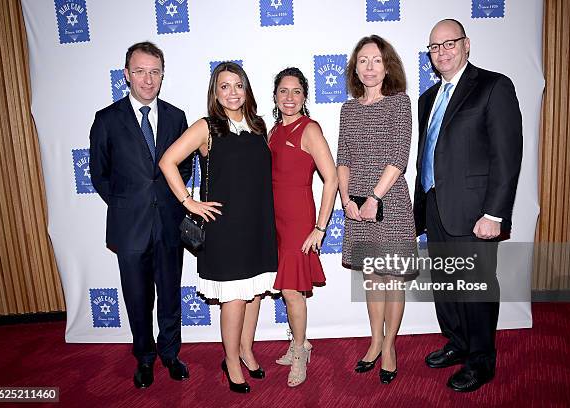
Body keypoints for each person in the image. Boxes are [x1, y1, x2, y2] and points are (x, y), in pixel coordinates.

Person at [414, 19, 522, 392]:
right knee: (445, 286)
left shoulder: (493, 87)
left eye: (449, 43)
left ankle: (481, 361)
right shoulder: (427, 98)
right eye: (434, 47)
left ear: (467, 44)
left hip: (476, 213)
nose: (441, 51)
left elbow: (507, 155)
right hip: (436, 209)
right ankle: (458, 344)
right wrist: (420, 211)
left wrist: (495, 213)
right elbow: (428, 156)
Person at [159, 62, 277, 394]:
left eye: (238, 85)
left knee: (254, 293)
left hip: (258, 224)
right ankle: (232, 362)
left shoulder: (258, 125)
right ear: (215, 92)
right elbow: (167, 161)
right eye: (224, 86)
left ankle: (246, 350)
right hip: (225, 228)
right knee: (235, 299)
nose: (233, 92)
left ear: (247, 89)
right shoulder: (206, 127)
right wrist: (188, 201)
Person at [89, 41, 192, 389]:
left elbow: (186, 167)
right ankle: (144, 358)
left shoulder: (177, 117)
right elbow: (99, 173)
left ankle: (170, 354)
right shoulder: (107, 119)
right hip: (129, 228)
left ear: (162, 75)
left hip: (169, 223)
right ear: (126, 75)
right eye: (140, 71)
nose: (147, 79)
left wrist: (166, 201)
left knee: (170, 294)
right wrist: (125, 204)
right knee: (137, 298)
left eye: (154, 72)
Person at [337, 35, 416, 384]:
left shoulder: (400, 103)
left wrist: (374, 198)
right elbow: (343, 159)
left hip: (390, 202)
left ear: (388, 66)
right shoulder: (348, 109)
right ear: (356, 67)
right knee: (372, 277)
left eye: (377, 60)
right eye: (363, 61)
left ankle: (389, 347)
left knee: (392, 276)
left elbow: (399, 156)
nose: (370, 67)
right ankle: (373, 341)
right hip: (356, 204)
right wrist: (345, 200)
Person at [268, 67, 338, 387]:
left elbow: (332, 178)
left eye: (296, 91)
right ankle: (299, 342)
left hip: (298, 220)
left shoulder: (309, 129)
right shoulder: (273, 130)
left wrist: (320, 227)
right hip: (276, 221)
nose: (290, 98)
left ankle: (300, 351)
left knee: (293, 292)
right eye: (284, 91)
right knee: (286, 289)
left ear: (305, 96)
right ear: (275, 96)